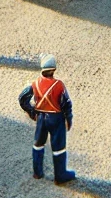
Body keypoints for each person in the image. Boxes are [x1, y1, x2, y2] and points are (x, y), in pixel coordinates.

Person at [19, 54, 75, 183]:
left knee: (38, 143)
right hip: (56, 118)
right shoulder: (59, 85)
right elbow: (66, 103)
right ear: (53, 69)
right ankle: (60, 175)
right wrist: (69, 119)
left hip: (41, 118)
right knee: (58, 147)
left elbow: (23, 98)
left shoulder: (35, 84)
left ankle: (37, 172)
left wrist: (32, 111)